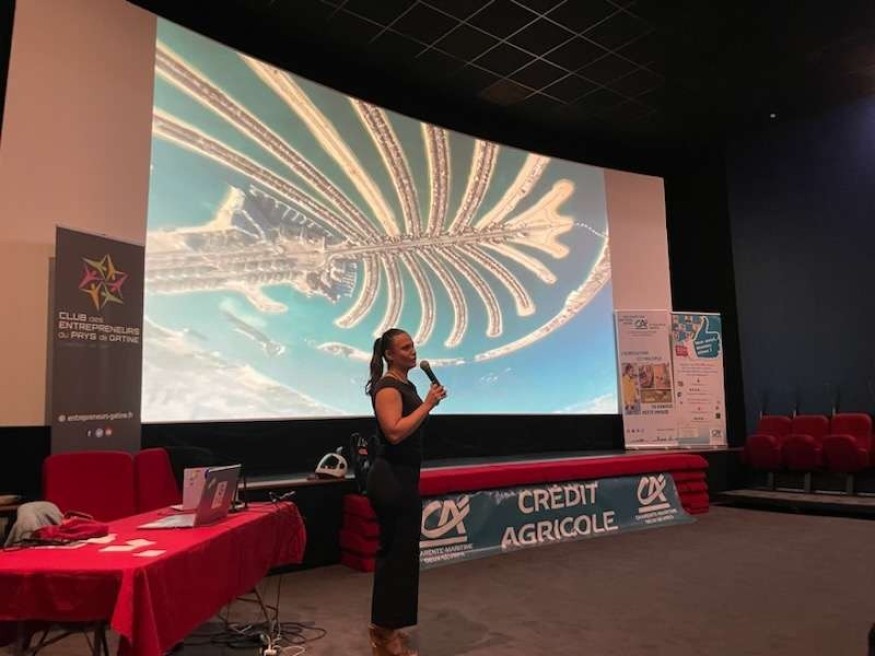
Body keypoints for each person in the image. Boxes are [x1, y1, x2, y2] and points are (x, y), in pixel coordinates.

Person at [365, 328, 446, 656]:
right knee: (394, 556)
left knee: (403, 556)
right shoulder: (388, 387)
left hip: (405, 478)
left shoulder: (406, 384)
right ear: (389, 355)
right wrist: (428, 404)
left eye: (413, 345)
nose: (413, 351)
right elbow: (394, 433)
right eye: (405, 347)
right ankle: (383, 634)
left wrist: (425, 403)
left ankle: (390, 627)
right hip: (391, 481)